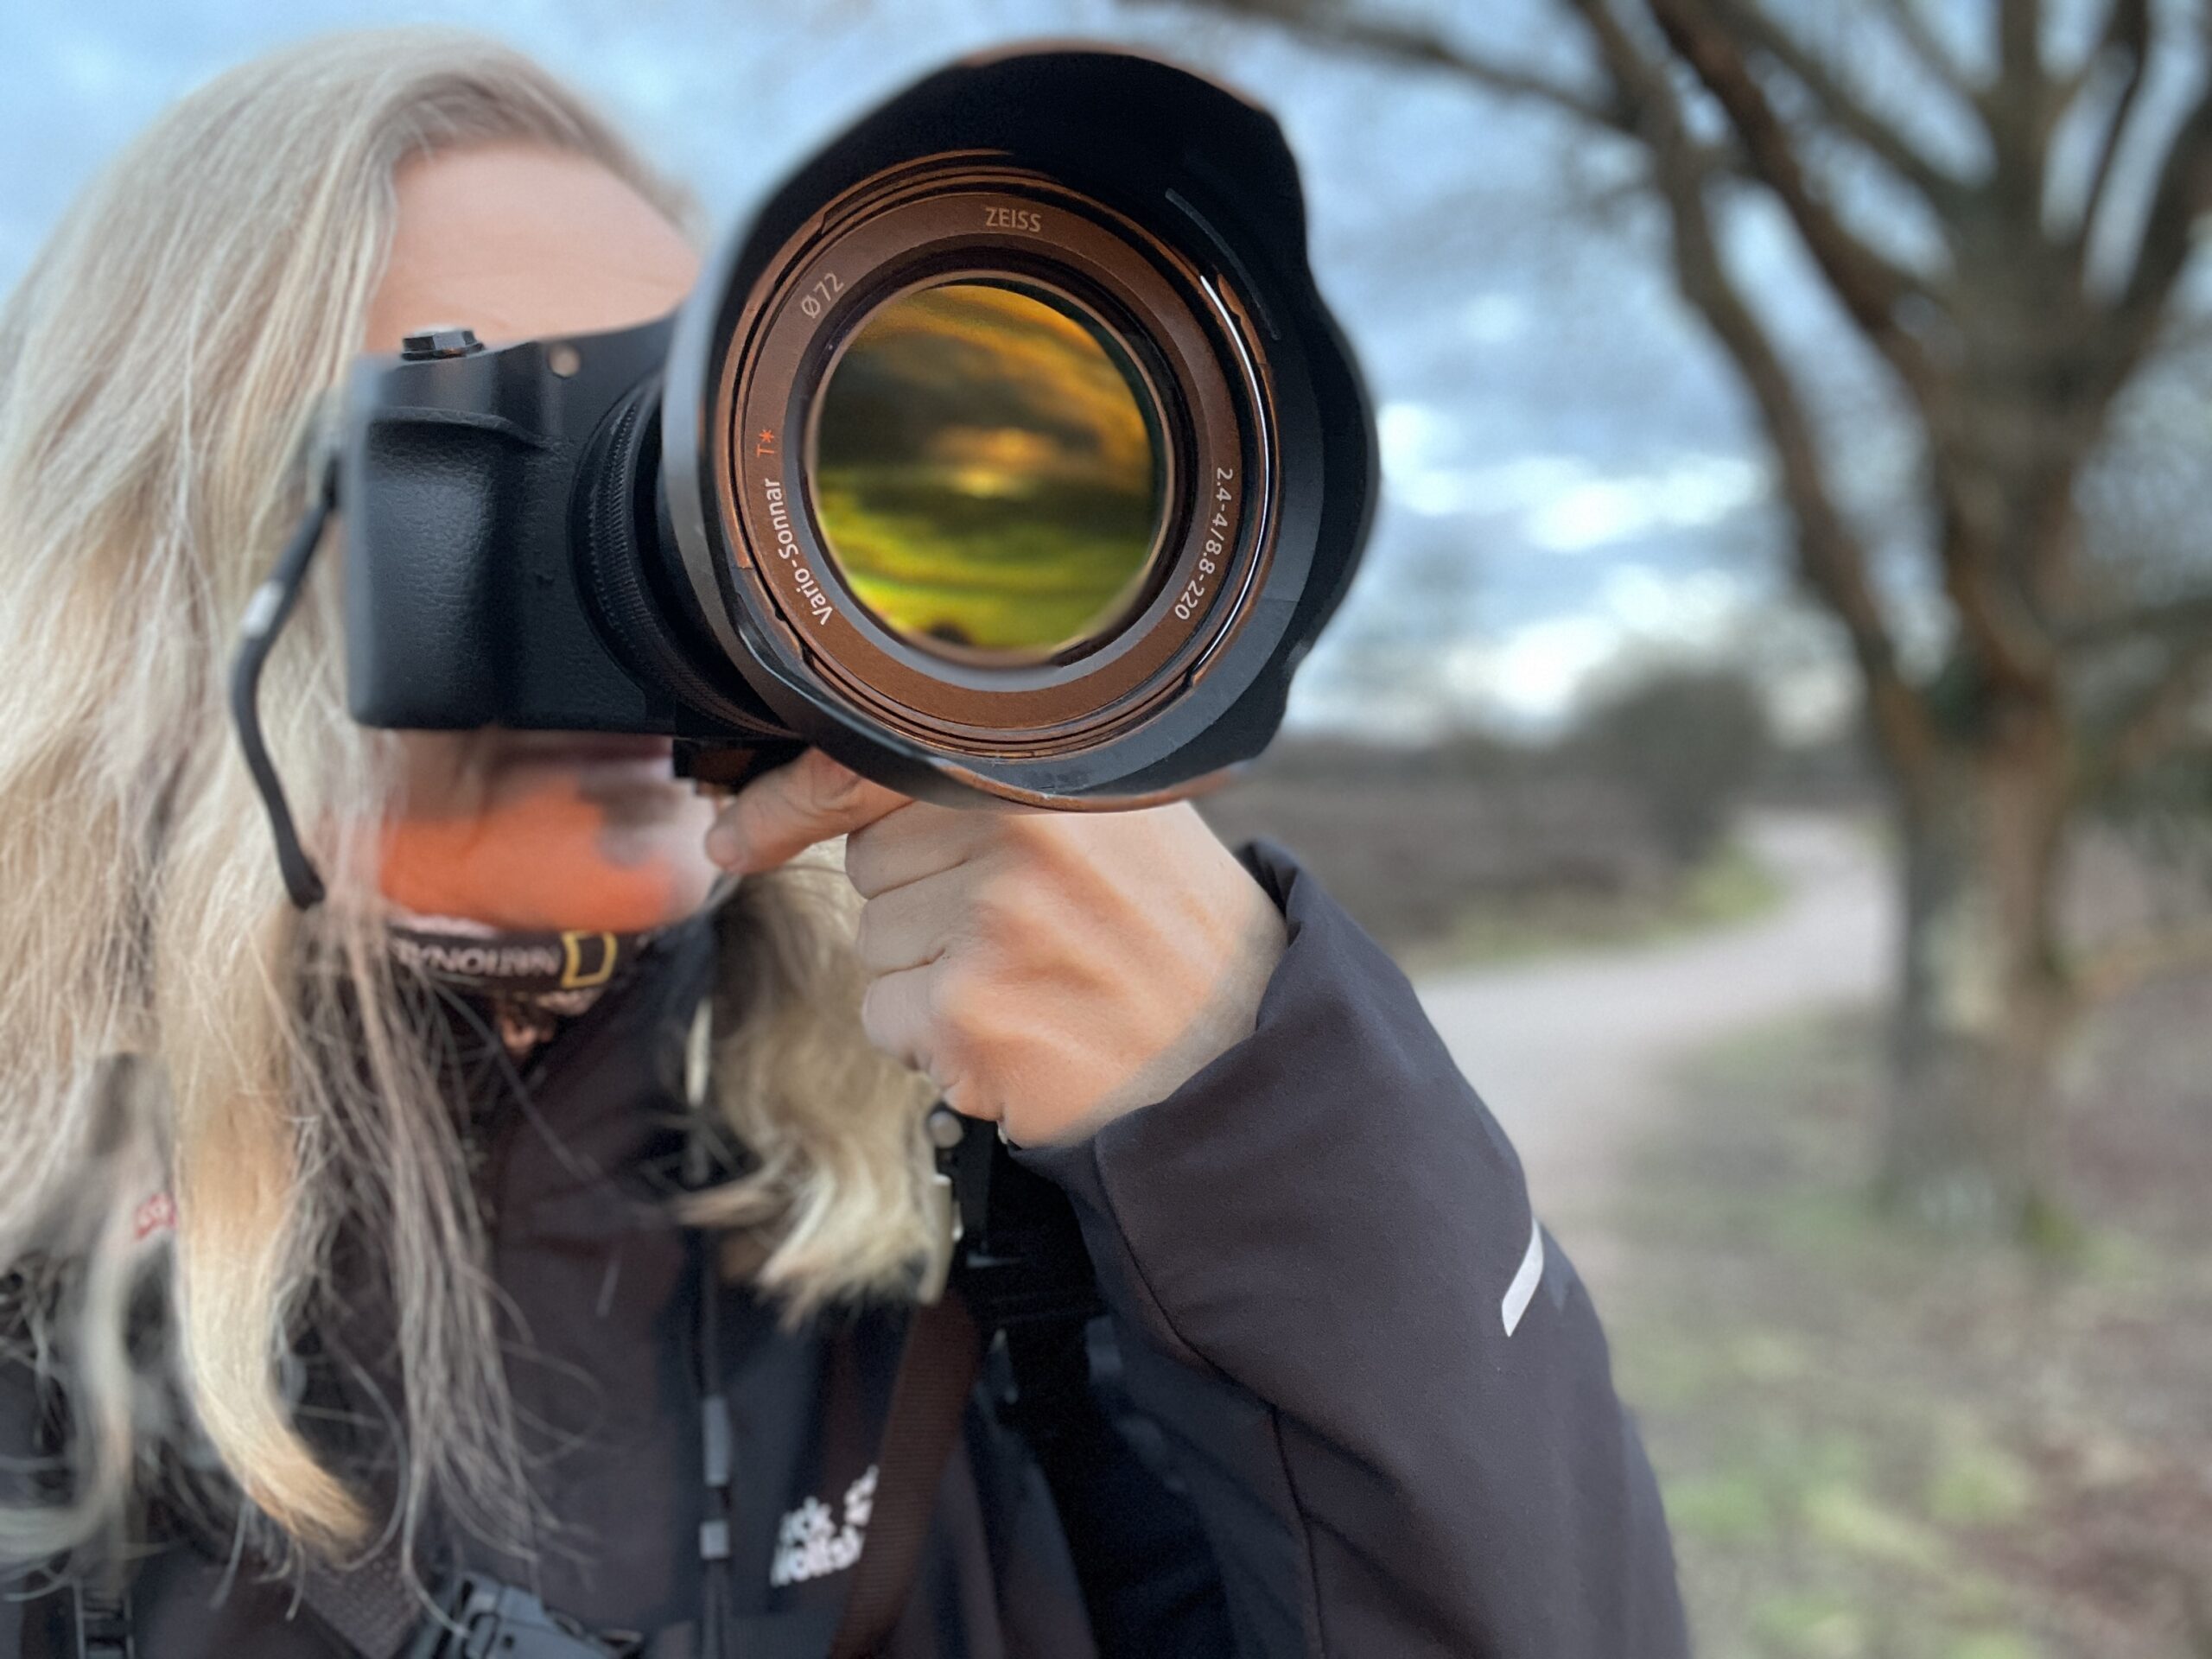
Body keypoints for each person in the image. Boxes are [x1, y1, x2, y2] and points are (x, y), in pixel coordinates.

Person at [0, 28, 1687, 1658]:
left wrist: (1258, 1101)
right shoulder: (35, 1306)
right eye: (511, 429)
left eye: (690, 425)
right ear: (155, 586)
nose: (689, 541)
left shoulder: (935, 1227)